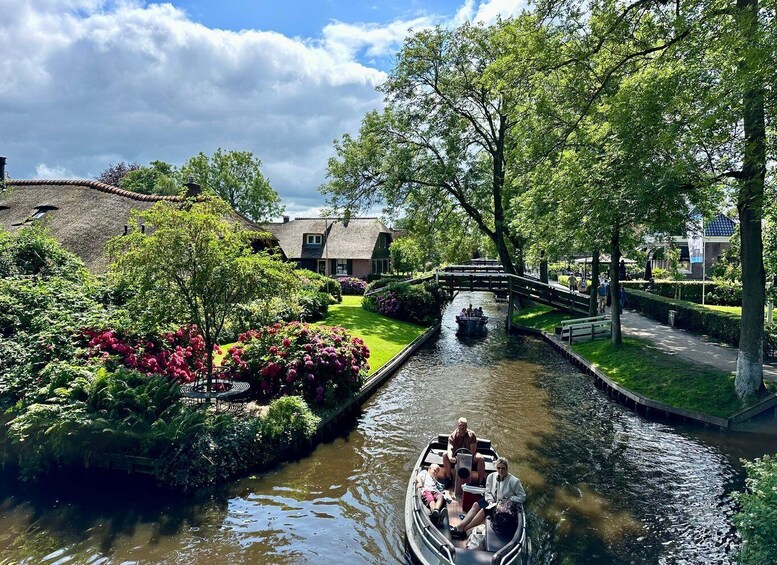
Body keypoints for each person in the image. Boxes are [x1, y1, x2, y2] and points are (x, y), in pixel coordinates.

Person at [449, 457, 526, 539]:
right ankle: (461, 525)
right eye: (498, 468)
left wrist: (509, 499)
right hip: (492, 500)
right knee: (475, 505)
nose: (500, 470)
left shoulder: (514, 481)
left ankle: (464, 530)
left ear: (507, 469)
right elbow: (488, 491)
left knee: (483, 511)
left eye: (503, 468)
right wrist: (490, 500)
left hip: (503, 506)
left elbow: (522, 497)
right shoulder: (491, 476)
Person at [442, 417, 486, 486]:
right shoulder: (452, 436)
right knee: (445, 455)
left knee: (480, 458)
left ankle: (481, 480)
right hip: (456, 457)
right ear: (457, 425)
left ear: (466, 426)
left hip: (470, 457)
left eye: (464, 425)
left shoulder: (472, 435)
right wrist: (450, 457)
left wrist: (465, 459)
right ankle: (449, 478)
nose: (462, 427)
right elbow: (449, 447)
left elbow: (472, 451)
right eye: (460, 425)